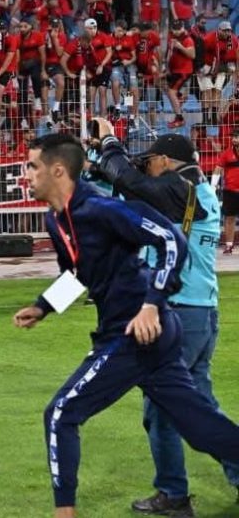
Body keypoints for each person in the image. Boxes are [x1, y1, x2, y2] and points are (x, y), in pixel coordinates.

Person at [14, 133, 239, 518]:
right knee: (199, 425)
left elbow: (171, 240)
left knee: (61, 413)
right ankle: (173, 494)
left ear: (58, 170)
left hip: (136, 332)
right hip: (144, 333)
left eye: (32, 166)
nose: (26, 174)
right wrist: (44, 306)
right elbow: (79, 274)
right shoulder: (56, 220)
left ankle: (64, 512)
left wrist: (151, 303)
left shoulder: (100, 209)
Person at [91, 123, 239, 514]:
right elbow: (128, 191)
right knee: (201, 405)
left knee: (160, 410)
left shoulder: (181, 189)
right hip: (201, 313)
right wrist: (97, 162)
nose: (148, 167)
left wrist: (110, 143)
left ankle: (173, 494)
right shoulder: (195, 192)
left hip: (179, 313)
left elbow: (133, 184)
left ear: (167, 161)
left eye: (152, 160)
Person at [215, 127, 239, 253]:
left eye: (237, 136)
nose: (234, 139)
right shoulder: (226, 153)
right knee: (229, 218)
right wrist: (213, 186)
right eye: (233, 136)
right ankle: (229, 245)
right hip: (230, 191)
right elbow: (218, 169)